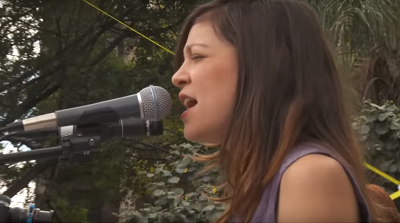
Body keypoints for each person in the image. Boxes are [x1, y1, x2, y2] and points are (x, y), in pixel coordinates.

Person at [171, 0, 399, 222]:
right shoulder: (258, 187)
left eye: (197, 56)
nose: (177, 77)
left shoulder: (310, 175)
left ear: (261, 66)